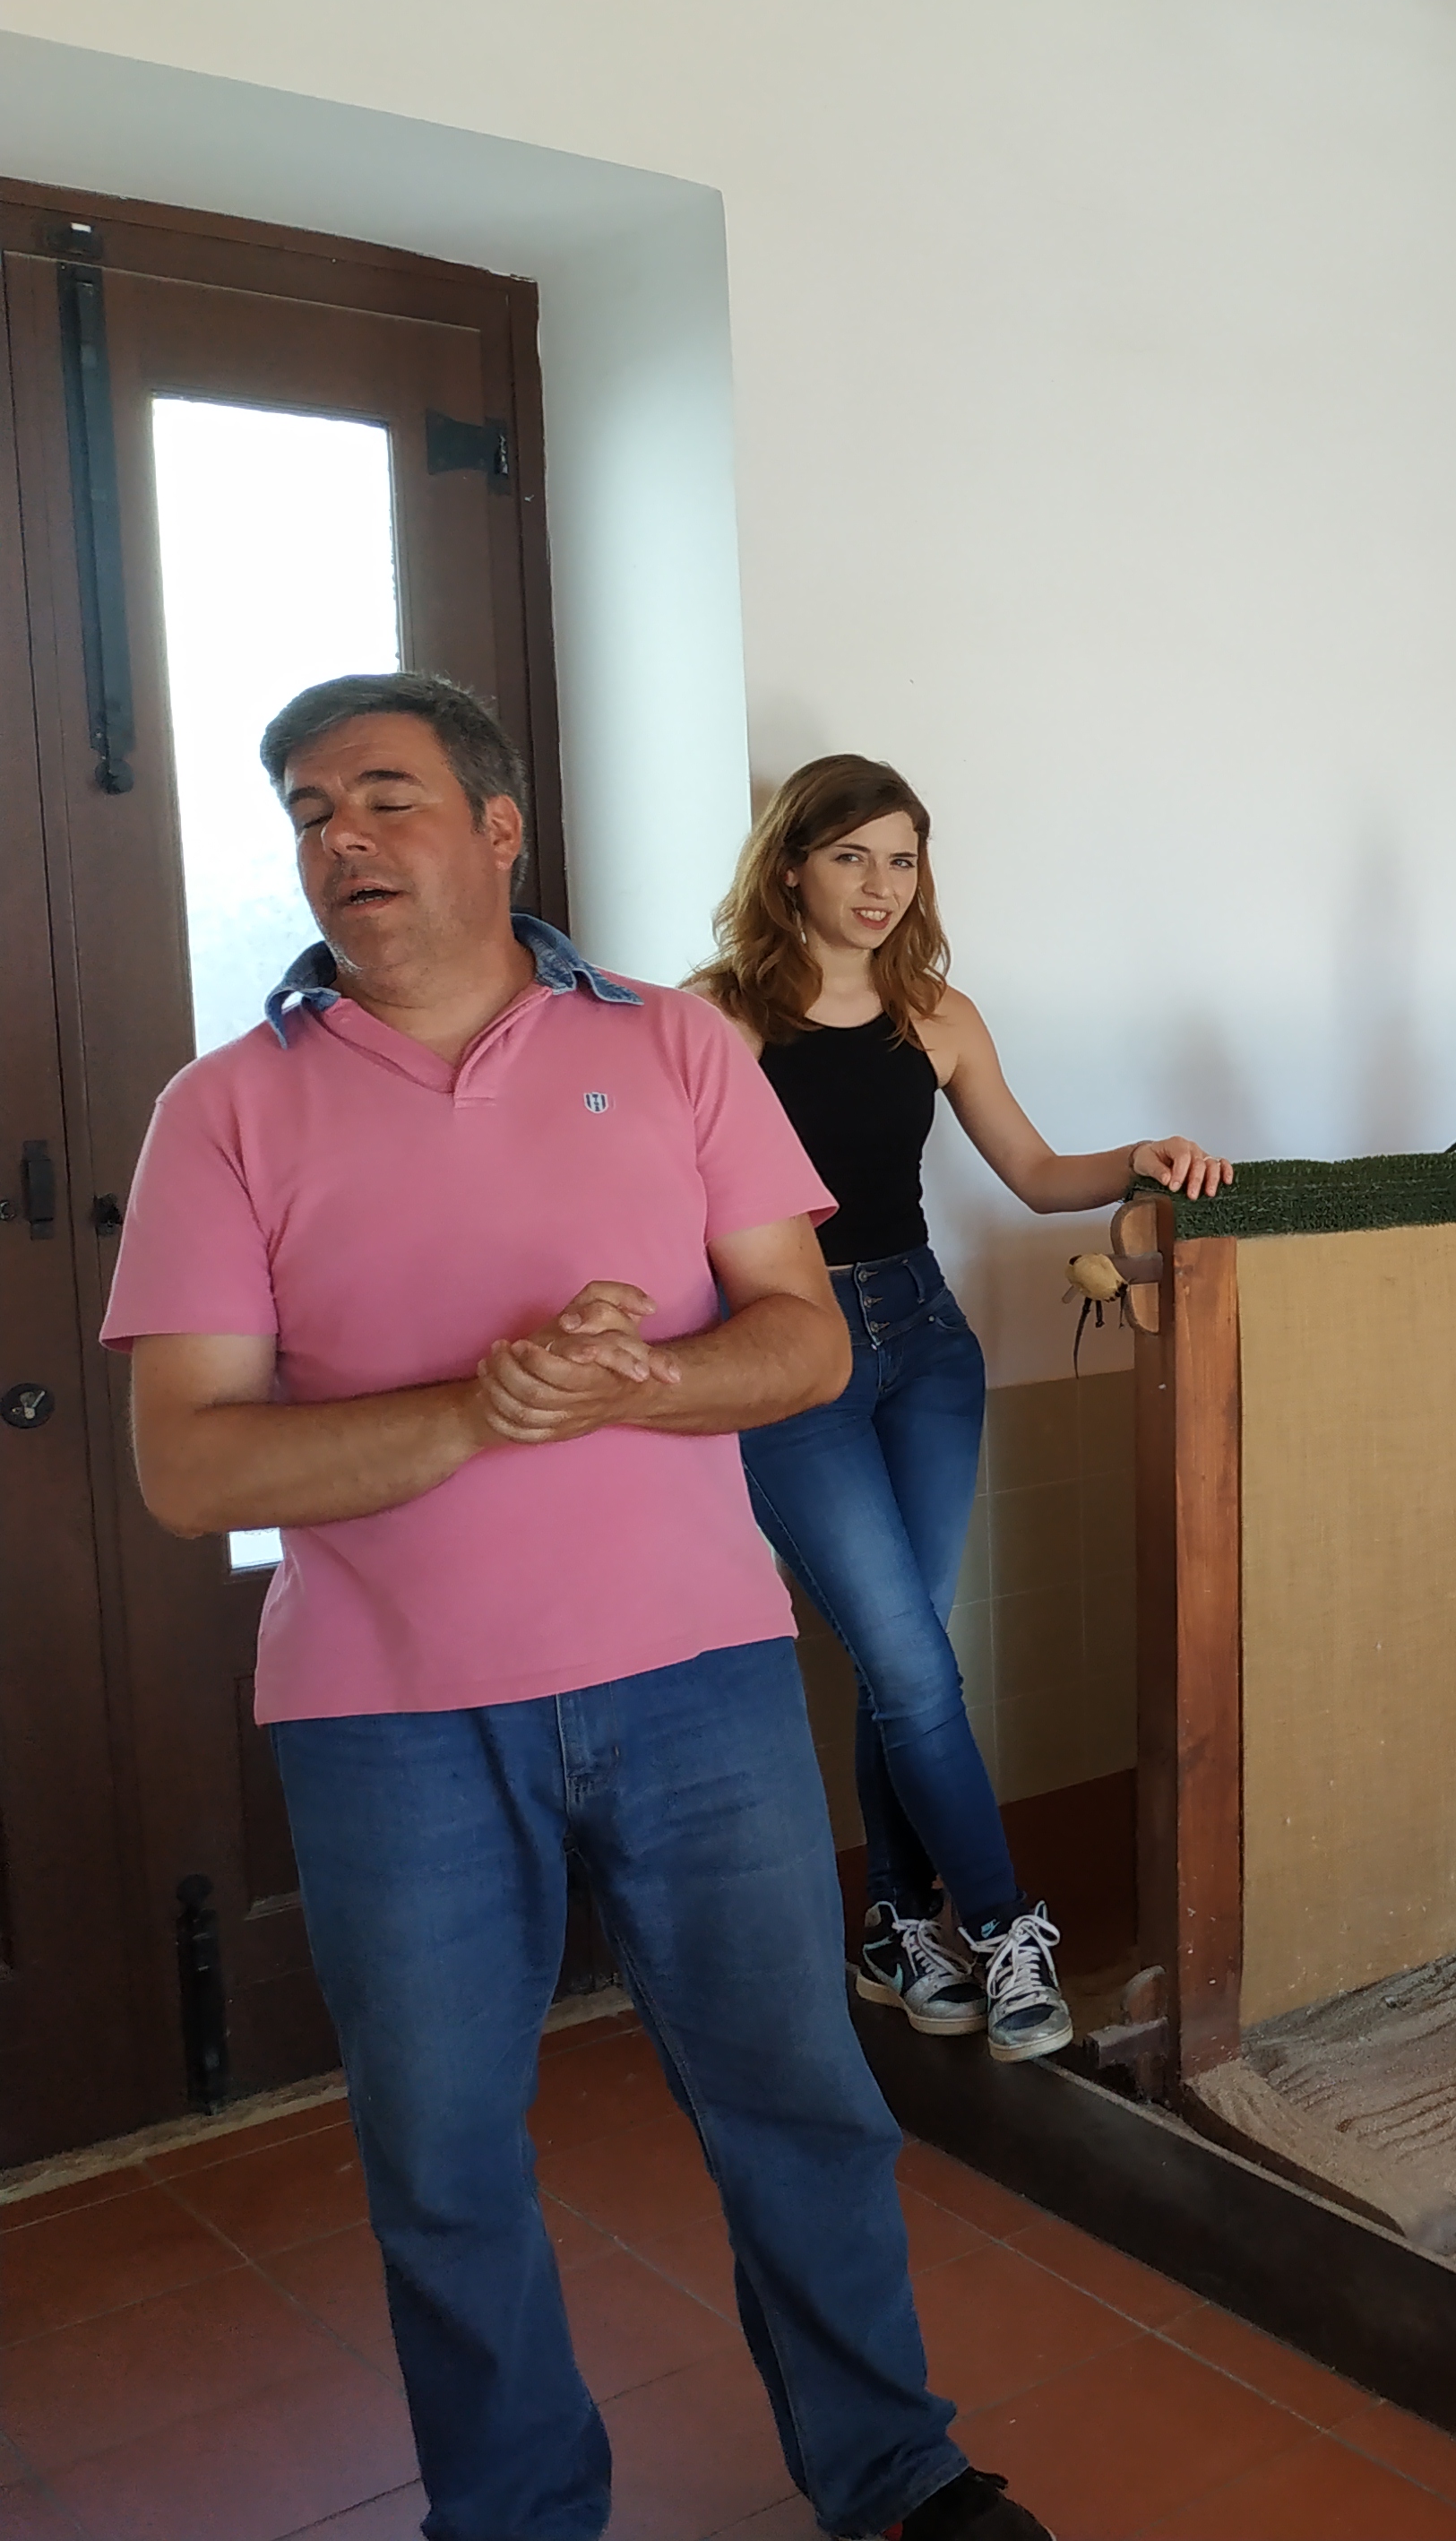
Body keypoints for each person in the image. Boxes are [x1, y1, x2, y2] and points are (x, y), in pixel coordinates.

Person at [109, 672, 1047, 2541]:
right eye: (308, 812)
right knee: (444, 2165)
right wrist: (476, 1410)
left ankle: (895, 2475)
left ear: (498, 827)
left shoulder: (674, 1045)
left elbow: (798, 1342)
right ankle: (516, 2515)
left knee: (798, 2104)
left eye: (384, 795)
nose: (341, 838)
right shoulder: (223, 1111)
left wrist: (641, 1382)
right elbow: (192, 1468)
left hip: (701, 1677)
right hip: (388, 1719)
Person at [690, 756, 1226, 2062]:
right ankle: (997, 1923)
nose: (881, 885)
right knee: (914, 1663)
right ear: (790, 866)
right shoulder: (717, 1019)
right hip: (791, 1349)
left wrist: (1142, 1157)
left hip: (925, 1340)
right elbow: (667, 1204)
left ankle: (893, 1925)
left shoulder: (937, 1012)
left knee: (907, 1656)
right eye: (851, 857)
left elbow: (1035, 1174)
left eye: (903, 858)